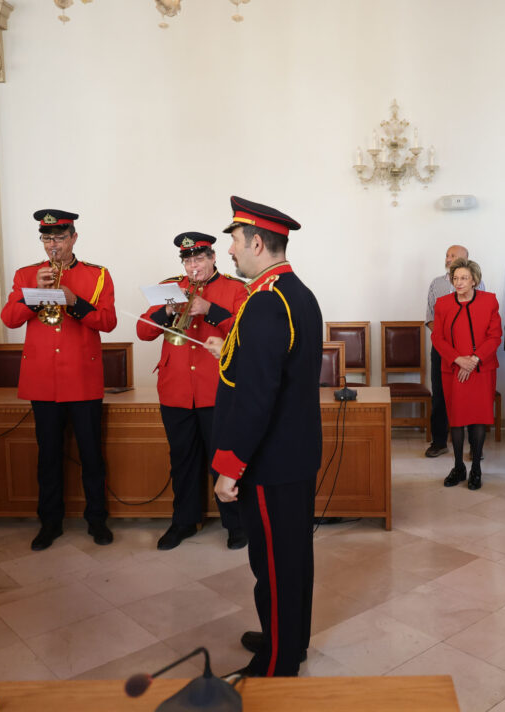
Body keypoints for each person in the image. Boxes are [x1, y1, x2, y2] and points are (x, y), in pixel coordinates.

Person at [205, 196, 322, 677]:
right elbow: (267, 369)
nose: (229, 250)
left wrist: (230, 467)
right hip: (290, 455)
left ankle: (277, 661)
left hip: (270, 462)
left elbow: (257, 397)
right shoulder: (292, 292)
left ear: (256, 241)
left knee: (274, 564)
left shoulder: (266, 303)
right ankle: (288, 638)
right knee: (292, 556)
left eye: (233, 240)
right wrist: (227, 351)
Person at [1, 209, 117, 552]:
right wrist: (31, 292)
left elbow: (108, 322)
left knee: (91, 455)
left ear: (74, 238)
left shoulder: (98, 275)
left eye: (60, 237)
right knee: (47, 456)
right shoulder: (26, 274)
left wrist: (74, 301)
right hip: (43, 381)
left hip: (82, 379)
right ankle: (49, 523)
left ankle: (97, 520)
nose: (53, 245)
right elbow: (9, 319)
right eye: (47, 238)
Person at [137, 231, 249, 550]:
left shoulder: (234, 288)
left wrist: (208, 308)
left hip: (217, 391)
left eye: (199, 258)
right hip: (175, 390)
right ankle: (184, 522)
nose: (192, 265)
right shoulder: (169, 290)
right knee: (182, 459)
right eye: (187, 259)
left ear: (213, 257)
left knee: (222, 459)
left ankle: (235, 523)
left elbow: (246, 333)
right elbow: (143, 331)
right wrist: (168, 310)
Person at [431, 258, 502, 490]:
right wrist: (458, 360)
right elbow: (437, 338)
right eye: (455, 278)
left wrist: (474, 360)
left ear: (474, 280)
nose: (458, 282)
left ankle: (476, 469)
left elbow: (494, 336)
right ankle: (459, 466)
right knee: (457, 418)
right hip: (453, 369)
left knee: (479, 418)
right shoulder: (442, 304)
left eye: (464, 278)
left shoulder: (489, 301)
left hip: (481, 369)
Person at [424, 245, 486, 458]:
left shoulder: (480, 284)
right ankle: (439, 442)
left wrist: (468, 354)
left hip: (470, 354)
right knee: (440, 395)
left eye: (454, 256)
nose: (449, 259)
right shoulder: (437, 284)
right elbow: (430, 319)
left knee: (470, 397)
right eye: (447, 255)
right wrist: (447, 345)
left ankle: (474, 447)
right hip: (442, 351)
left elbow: (481, 318)